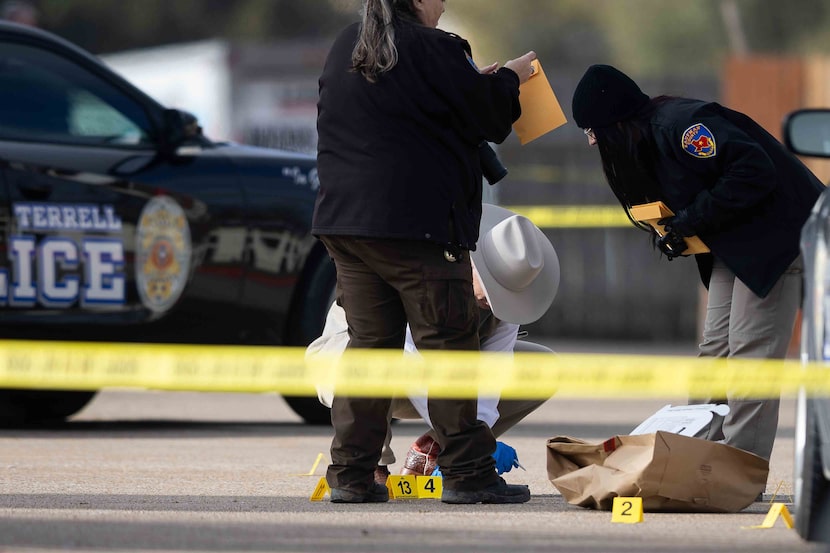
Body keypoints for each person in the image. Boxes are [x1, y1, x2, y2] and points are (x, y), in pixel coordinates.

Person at [313, 0, 536, 504]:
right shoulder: (439, 49)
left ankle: (350, 475)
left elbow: (407, 112)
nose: (445, 3)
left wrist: (467, 81)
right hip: (418, 229)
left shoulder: (348, 44)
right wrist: (509, 80)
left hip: (346, 224)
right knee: (451, 349)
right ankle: (469, 476)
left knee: (370, 349)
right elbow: (491, 118)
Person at [571, 64, 825, 461]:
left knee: (750, 355)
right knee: (716, 351)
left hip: (780, 235)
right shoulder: (649, 141)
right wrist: (673, 230)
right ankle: (697, 456)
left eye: (591, 131)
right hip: (734, 241)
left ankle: (740, 467)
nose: (590, 142)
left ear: (614, 121)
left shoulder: (684, 126)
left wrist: (688, 221)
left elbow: (752, 170)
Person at [308, 204, 560, 484]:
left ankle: (432, 450)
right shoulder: (427, 275)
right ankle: (370, 463)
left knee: (543, 366)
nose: (494, 301)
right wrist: (465, 440)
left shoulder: (504, 310)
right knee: (373, 363)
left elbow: (491, 378)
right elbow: (408, 359)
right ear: (472, 263)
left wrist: (473, 440)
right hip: (367, 364)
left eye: (507, 291)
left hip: (436, 382)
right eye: (493, 288)